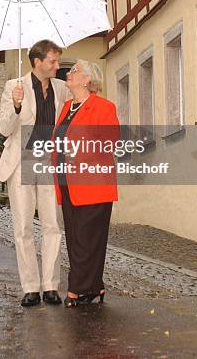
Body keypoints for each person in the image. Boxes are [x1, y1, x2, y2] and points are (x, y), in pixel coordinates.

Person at [0, 40, 69, 307]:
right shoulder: (14, 87)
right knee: (23, 227)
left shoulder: (61, 88)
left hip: (49, 159)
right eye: (52, 61)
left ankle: (50, 285)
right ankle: (30, 287)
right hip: (23, 158)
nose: (57, 66)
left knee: (51, 225)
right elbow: (4, 129)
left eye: (58, 61)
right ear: (37, 61)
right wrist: (15, 106)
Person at [52, 60, 119, 307]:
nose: (68, 74)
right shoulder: (67, 107)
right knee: (76, 238)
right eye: (70, 71)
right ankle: (94, 287)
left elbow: (110, 143)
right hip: (67, 181)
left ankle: (78, 289)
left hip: (94, 183)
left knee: (89, 238)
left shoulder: (104, 107)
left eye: (74, 71)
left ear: (87, 79)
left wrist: (78, 150)